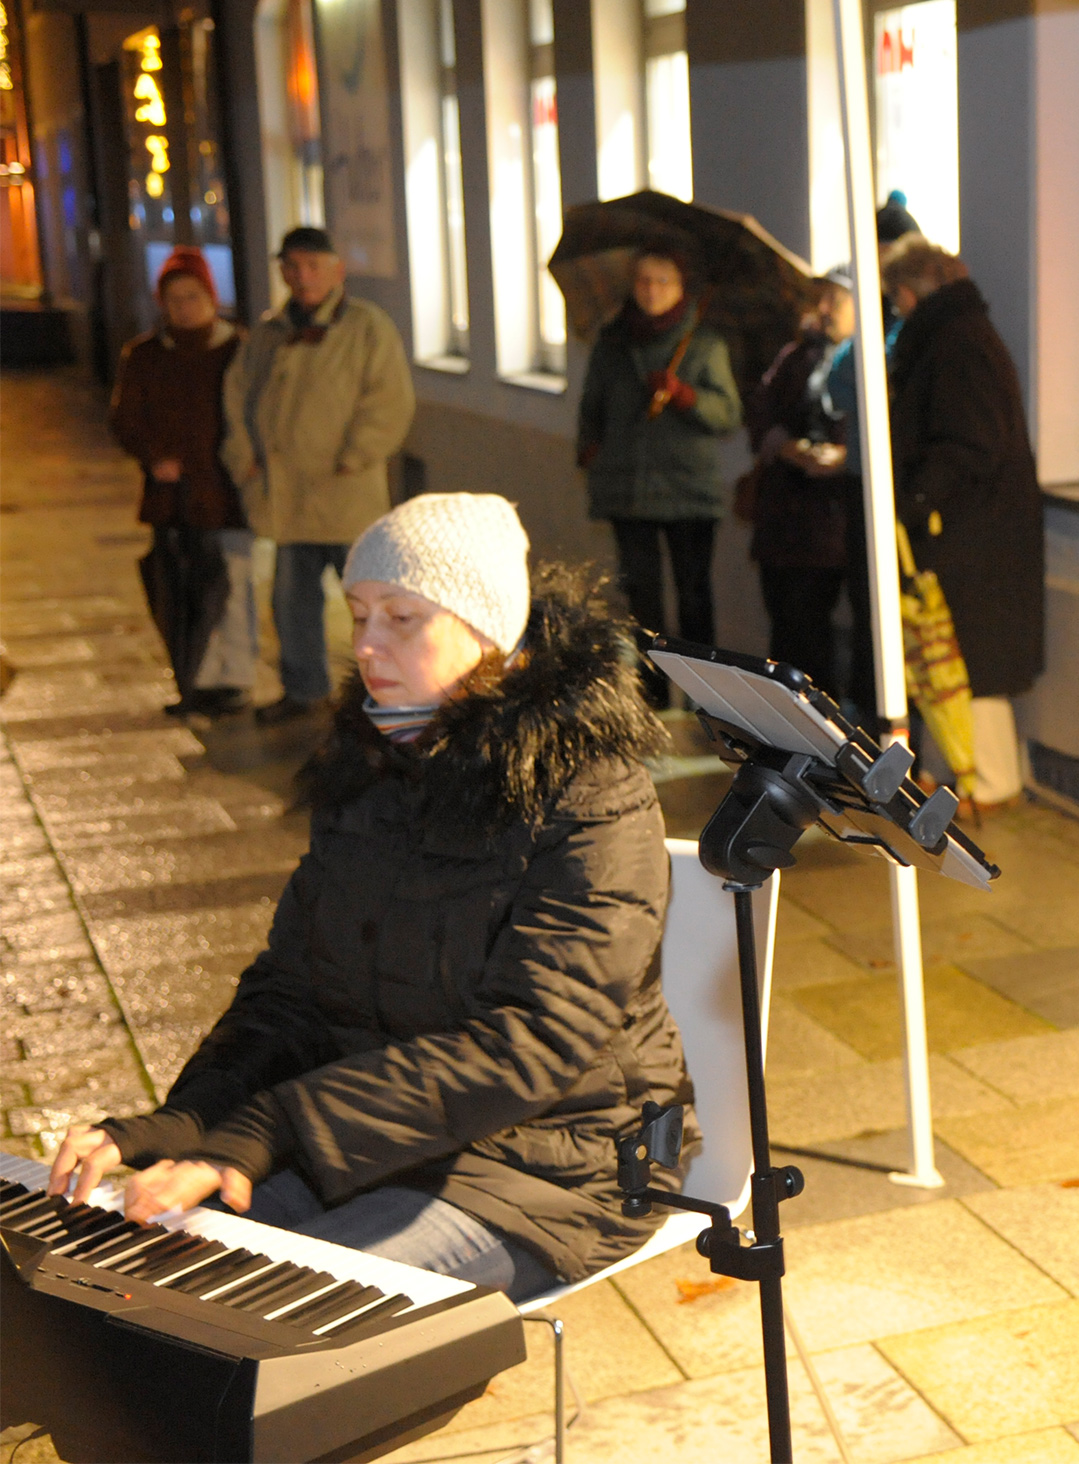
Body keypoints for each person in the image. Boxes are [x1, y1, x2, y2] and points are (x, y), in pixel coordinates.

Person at [47, 493, 693, 1299]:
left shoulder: (591, 792)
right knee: (143, 1270)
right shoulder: (372, 769)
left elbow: (532, 1043)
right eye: (358, 616)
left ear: (487, 632)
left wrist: (272, 1127)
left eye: (402, 618)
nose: (367, 645)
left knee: (269, 1309)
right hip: (374, 1135)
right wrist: (185, 1124)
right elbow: (291, 994)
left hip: (556, 1167)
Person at [223, 226, 416, 727]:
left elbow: (389, 400)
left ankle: (392, 688)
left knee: (373, 602)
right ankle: (304, 688)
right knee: (291, 604)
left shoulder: (367, 326)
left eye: (313, 266)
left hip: (346, 495)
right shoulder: (269, 331)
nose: (302, 277)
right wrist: (242, 455)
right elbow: (237, 396)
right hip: (287, 497)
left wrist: (357, 454)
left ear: (337, 270)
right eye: (292, 267)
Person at [878, 235, 1044, 808]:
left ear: (908, 291)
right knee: (954, 655)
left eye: (894, 298)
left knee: (966, 657)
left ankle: (987, 781)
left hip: (969, 532)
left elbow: (967, 443)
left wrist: (917, 500)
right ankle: (958, 774)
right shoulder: (962, 335)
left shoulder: (952, 343)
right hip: (972, 529)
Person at [577, 249, 741, 703]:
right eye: (644, 280)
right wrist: (590, 448)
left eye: (662, 281)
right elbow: (592, 405)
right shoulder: (613, 342)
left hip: (688, 490)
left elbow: (727, 414)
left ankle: (704, 695)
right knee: (642, 600)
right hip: (628, 489)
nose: (651, 290)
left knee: (693, 596)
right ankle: (652, 692)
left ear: (681, 288)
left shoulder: (704, 344)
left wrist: (685, 396)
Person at [111, 248, 254, 718]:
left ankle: (236, 676)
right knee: (180, 587)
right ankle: (195, 677)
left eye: (193, 296)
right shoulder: (145, 355)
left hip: (226, 490)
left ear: (211, 296)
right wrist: (155, 458)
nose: (184, 307)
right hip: (172, 497)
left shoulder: (239, 350)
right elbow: (125, 420)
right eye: (174, 299)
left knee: (232, 583)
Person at [740, 272, 872, 714]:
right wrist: (788, 447)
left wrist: (844, 455)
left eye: (837, 299)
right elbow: (760, 409)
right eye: (824, 300)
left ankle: (823, 718)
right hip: (784, 513)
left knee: (817, 624)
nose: (826, 309)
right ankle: (785, 715)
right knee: (784, 620)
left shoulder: (871, 359)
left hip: (832, 519)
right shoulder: (795, 356)